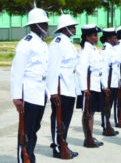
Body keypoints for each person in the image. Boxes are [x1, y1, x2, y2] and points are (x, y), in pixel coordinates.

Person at [11, 7, 50, 163]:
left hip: (40, 93)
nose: (46, 26)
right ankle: (24, 159)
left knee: (34, 129)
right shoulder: (25, 43)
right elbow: (17, 71)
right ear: (34, 25)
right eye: (43, 23)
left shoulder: (41, 43)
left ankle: (29, 157)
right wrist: (16, 97)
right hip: (29, 93)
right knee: (26, 131)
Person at [47, 14, 79, 158]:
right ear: (65, 28)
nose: (74, 28)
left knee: (66, 119)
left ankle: (63, 143)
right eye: (72, 26)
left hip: (70, 87)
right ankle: (57, 147)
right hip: (60, 88)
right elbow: (52, 68)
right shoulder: (57, 43)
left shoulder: (68, 42)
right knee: (58, 119)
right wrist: (53, 92)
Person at [76, 24, 104, 147]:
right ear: (87, 37)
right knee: (87, 113)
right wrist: (84, 89)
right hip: (88, 87)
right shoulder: (85, 51)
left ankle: (90, 137)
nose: (96, 37)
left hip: (94, 86)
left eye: (97, 35)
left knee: (91, 113)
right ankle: (87, 138)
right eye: (94, 35)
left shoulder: (92, 49)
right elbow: (81, 70)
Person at [100, 28, 121, 136]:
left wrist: (118, 81)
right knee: (106, 106)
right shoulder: (106, 50)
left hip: (113, 82)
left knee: (110, 105)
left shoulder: (112, 48)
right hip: (108, 83)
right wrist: (104, 85)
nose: (116, 39)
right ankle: (105, 126)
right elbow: (104, 68)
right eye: (114, 38)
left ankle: (107, 125)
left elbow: (115, 67)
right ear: (108, 39)